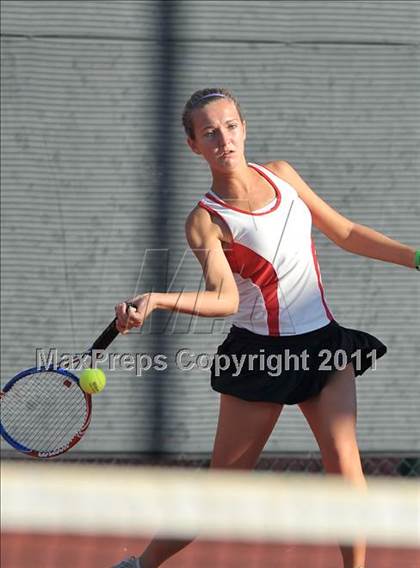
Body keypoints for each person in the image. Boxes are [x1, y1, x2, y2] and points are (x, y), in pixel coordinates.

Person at [112, 87, 419, 568]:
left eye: (230, 126)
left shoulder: (282, 175)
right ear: (194, 145)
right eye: (209, 132)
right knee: (221, 493)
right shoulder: (205, 221)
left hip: (323, 346)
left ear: (244, 127)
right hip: (261, 357)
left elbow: (345, 232)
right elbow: (225, 299)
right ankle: (142, 564)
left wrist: (416, 257)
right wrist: (157, 299)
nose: (224, 139)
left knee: (345, 463)